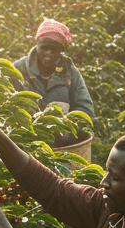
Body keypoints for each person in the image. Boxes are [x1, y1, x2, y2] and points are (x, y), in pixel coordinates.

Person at [12, 19, 95, 147]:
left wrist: (67, 132)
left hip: (62, 145)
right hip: (25, 144)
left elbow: (85, 110)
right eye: (44, 47)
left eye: (54, 49)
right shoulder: (17, 70)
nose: (48, 53)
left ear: (61, 50)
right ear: (37, 45)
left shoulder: (70, 72)